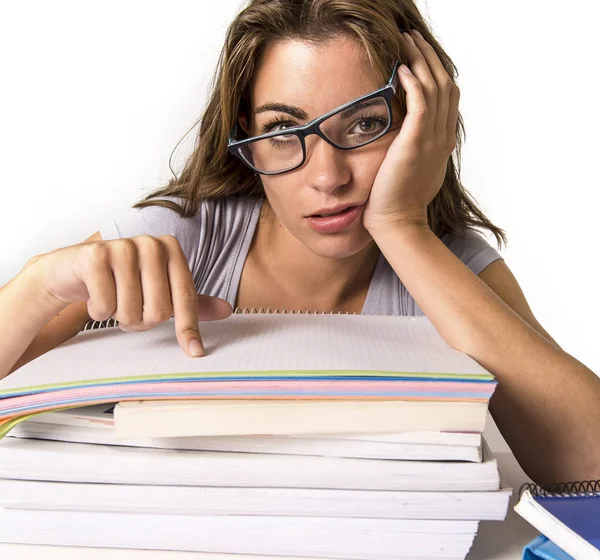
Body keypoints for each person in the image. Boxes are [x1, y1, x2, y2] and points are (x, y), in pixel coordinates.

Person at [0, 0, 598, 487]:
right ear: (248, 141)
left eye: (365, 124)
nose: (327, 177)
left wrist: (401, 226)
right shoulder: (181, 237)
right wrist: (37, 286)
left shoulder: (452, 268)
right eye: (283, 132)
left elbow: (587, 465)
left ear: (424, 121)